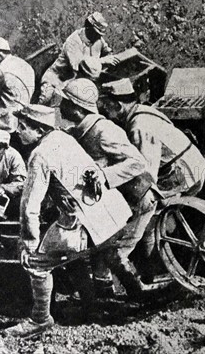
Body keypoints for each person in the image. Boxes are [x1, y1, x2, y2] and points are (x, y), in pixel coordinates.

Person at [4, 104, 131, 337]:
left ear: (39, 130)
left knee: (37, 263)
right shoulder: (64, 138)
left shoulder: (39, 155)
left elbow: (30, 205)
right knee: (76, 257)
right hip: (111, 214)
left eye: (23, 127)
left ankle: (40, 319)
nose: (18, 132)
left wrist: (28, 242)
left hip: (84, 223)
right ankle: (100, 307)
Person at [58, 79, 162, 299]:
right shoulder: (82, 129)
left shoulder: (104, 130)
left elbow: (137, 162)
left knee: (116, 254)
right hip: (118, 204)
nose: (60, 106)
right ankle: (107, 298)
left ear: (77, 107)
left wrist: (103, 174)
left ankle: (139, 297)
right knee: (103, 252)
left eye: (64, 102)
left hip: (138, 199)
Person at [98, 78, 205, 282]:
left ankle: (149, 271)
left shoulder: (139, 126)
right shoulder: (144, 110)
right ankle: (152, 266)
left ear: (118, 105)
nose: (107, 115)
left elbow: (146, 173)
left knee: (144, 217)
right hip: (190, 162)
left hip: (183, 173)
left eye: (107, 109)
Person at [38, 12, 119, 106]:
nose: (99, 36)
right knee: (47, 98)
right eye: (96, 33)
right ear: (88, 28)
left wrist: (111, 58)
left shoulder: (97, 39)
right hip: (58, 80)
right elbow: (81, 66)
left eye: (100, 34)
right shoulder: (73, 42)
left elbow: (107, 52)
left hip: (80, 81)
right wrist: (102, 61)